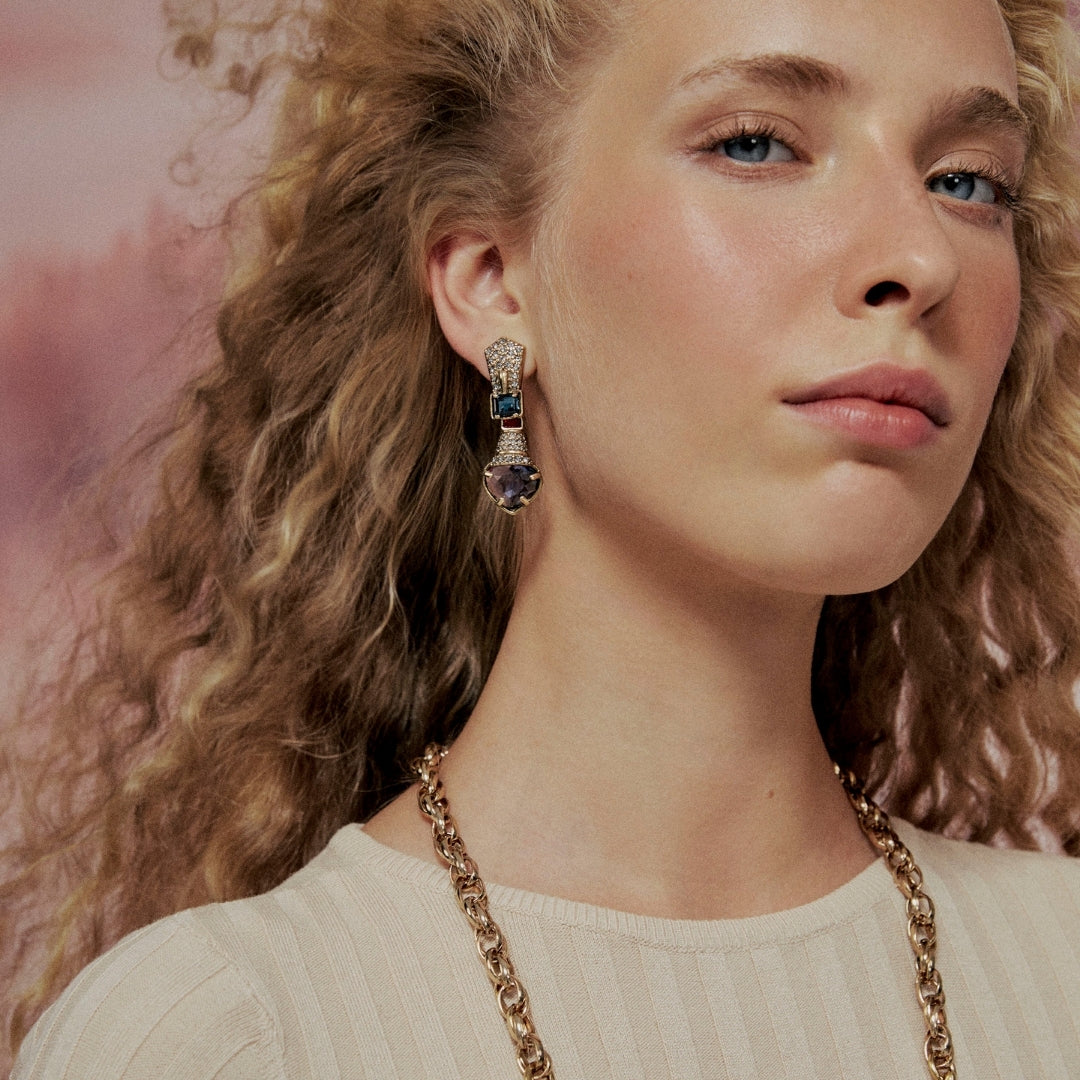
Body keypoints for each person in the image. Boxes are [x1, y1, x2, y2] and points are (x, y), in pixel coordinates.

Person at [6, 0, 1080, 1075]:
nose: (920, 257)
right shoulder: (227, 1037)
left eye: (968, 182)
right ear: (492, 282)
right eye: (757, 144)